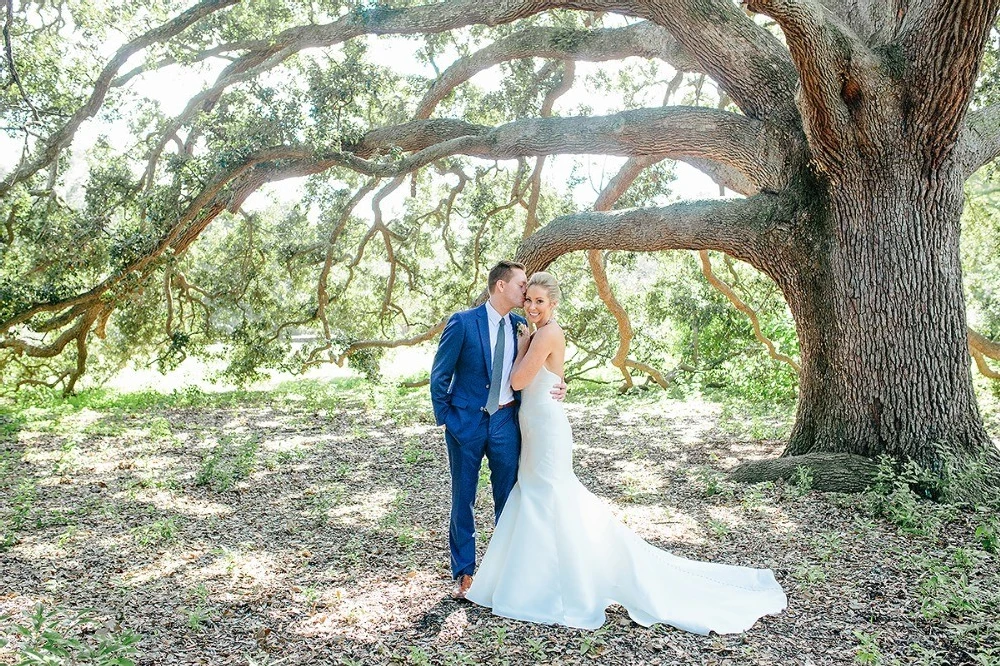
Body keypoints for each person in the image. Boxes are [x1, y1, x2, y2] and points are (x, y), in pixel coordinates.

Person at [464, 272, 788, 634]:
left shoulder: (547, 333)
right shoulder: (538, 332)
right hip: (535, 425)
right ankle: (539, 582)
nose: (533, 306)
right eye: (530, 300)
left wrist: (525, 345)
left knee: (549, 498)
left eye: (540, 301)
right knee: (541, 498)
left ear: (553, 305)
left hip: (546, 429)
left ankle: (557, 589)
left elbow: (518, 380)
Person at [430, 261, 567, 600]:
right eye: (522, 286)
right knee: (464, 498)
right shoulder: (463, 322)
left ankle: (506, 569)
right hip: (467, 424)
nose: (526, 293)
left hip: (507, 421)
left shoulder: (524, 326)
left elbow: (545, 366)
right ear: (501, 286)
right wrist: (448, 417)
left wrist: (562, 385)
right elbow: (440, 375)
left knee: (508, 497)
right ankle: (464, 573)